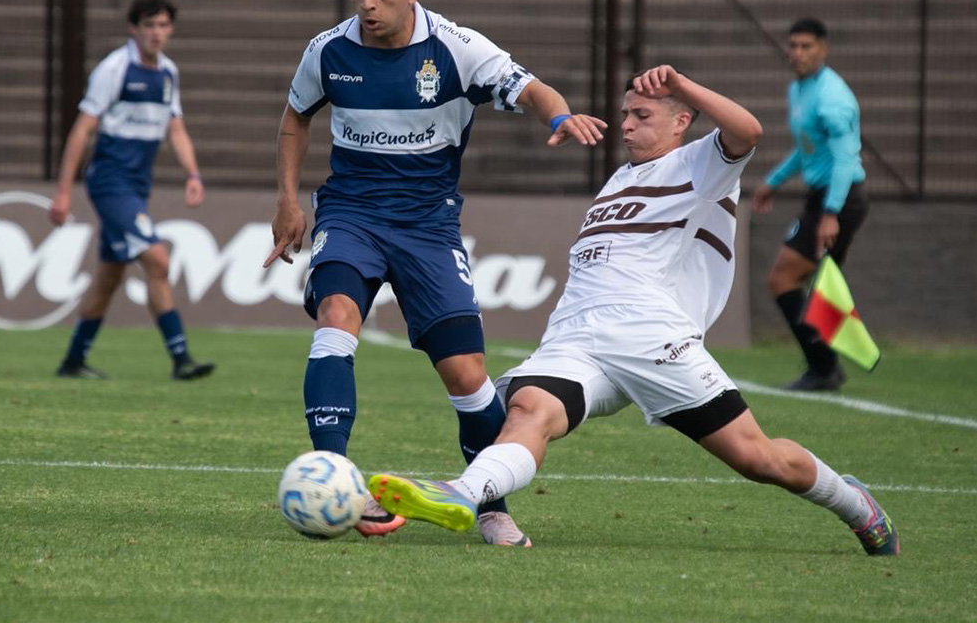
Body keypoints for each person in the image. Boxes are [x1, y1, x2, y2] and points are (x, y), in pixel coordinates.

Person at [368, 66, 899, 558]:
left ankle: (857, 506)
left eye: (641, 116)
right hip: (578, 339)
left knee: (759, 459)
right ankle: (465, 497)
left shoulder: (701, 163)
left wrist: (684, 83)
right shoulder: (619, 180)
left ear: (681, 121)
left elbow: (749, 131)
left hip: (653, 339)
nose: (625, 126)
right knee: (528, 410)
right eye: (624, 114)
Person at [263, 0, 606, 545]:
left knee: (466, 372)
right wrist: (288, 199)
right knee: (336, 316)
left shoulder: (457, 48)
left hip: (428, 225)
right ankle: (338, 477)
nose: (366, 5)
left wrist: (559, 115)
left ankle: (491, 504)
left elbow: (530, 89)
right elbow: (295, 119)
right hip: (351, 214)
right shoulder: (328, 51)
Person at [49, 0, 215, 382]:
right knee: (157, 259)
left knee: (110, 274)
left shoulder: (168, 73)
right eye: (148, 25)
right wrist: (62, 191)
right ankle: (181, 358)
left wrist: (193, 173)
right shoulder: (115, 69)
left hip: (137, 187)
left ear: (170, 30)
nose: (156, 33)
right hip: (110, 182)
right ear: (133, 29)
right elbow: (82, 130)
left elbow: (176, 128)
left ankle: (73, 360)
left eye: (162, 26)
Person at [751, 18, 868, 391]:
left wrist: (831, 213)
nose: (797, 53)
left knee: (784, 278)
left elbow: (846, 158)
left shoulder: (833, 99)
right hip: (823, 198)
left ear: (824, 49)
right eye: (793, 46)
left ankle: (824, 367)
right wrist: (773, 182)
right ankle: (824, 365)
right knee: (801, 281)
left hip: (840, 199)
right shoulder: (799, 89)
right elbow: (808, 148)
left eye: (806, 46)